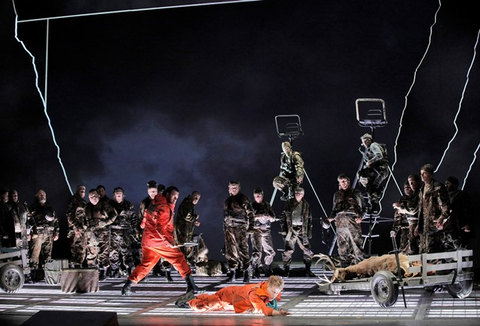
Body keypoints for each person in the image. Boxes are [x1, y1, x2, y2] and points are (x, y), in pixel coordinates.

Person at [121, 186, 200, 295]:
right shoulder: (165, 208)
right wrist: (169, 242)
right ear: (167, 194)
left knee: (146, 265)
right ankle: (191, 286)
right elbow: (160, 228)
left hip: (148, 241)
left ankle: (127, 286)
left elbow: (145, 217)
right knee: (179, 259)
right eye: (174, 196)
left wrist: (143, 225)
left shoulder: (154, 203)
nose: (175, 199)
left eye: (177, 197)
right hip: (160, 242)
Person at [178, 275, 290, 316]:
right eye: (274, 292)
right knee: (201, 306)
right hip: (227, 296)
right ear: (269, 287)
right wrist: (278, 313)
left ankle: (196, 298)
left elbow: (268, 305)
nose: (275, 296)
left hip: (234, 301)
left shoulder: (271, 289)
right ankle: (189, 301)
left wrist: (278, 310)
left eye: (278, 292)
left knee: (217, 308)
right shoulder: (255, 292)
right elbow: (263, 309)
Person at [325, 174, 365, 267]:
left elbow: (364, 207)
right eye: (341, 181)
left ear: (349, 181)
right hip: (340, 223)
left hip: (352, 221)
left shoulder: (356, 193)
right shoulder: (337, 195)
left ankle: (361, 267)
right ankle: (346, 268)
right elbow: (334, 210)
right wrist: (328, 219)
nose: (343, 183)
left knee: (357, 245)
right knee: (342, 247)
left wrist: (361, 217)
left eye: (345, 181)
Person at [415, 164, 455, 254]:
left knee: (434, 252)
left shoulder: (438, 187)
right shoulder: (422, 189)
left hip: (434, 226)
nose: (422, 176)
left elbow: (445, 206)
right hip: (424, 227)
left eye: (424, 174)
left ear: (430, 175)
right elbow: (421, 208)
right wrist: (419, 224)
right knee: (423, 253)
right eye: (421, 174)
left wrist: (441, 218)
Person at [223, 181, 255, 282]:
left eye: (235, 187)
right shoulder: (228, 200)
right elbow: (225, 216)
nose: (233, 189)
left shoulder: (243, 199)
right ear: (229, 188)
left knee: (243, 249)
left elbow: (251, 213)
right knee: (230, 251)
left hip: (240, 227)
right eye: (232, 187)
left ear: (239, 188)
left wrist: (251, 227)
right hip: (229, 228)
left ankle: (247, 272)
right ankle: (232, 272)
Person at [280, 187, 314, 277]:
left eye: (300, 193)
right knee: (288, 249)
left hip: (302, 229)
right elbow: (283, 217)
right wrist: (283, 230)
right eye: (296, 193)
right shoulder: (289, 203)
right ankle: (286, 269)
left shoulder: (306, 205)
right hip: (291, 229)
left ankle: (308, 269)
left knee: (307, 249)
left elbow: (310, 219)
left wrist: (309, 232)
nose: (298, 195)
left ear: (303, 195)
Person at [84, 188, 117, 280]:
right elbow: (82, 219)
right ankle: (92, 270)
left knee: (104, 251)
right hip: (91, 233)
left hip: (103, 232)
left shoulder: (105, 205)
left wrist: (105, 222)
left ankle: (103, 270)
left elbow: (114, 215)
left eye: (95, 196)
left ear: (98, 196)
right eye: (91, 197)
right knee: (91, 251)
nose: (93, 198)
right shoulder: (86, 207)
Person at [28, 189, 60, 279]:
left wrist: (56, 232)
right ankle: (33, 275)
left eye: (44, 194)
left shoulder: (50, 208)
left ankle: (47, 275)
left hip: (49, 234)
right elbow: (28, 221)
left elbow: (56, 221)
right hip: (37, 235)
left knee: (47, 256)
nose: (42, 196)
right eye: (40, 194)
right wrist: (30, 233)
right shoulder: (33, 208)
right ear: (36, 196)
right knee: (34, 255)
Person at [357, 133, 389, 214]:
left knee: (370, 186)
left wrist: (370, 162)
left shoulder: (373, 145)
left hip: (379, 169)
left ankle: (374, 206)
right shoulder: (370, 148)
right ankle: (376, 197)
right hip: (378, 169)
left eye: (364, 141)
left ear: (368, 140)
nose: (364, 144)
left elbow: (379, 156)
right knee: (371, 187)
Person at [108, 187, 136, 277]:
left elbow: (133, 218)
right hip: (112, 231)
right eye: (116, 193)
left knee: (126, 251)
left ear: (123, 195)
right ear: (114, 195)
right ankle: (114, 270)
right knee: (113, 252)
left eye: (120, 193)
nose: (118, 194)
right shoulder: (109, 205)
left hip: (125, 231)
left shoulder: (128, 205)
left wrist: (134, 230)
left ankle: (129, 270)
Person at [250, 187, 276, 278]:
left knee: (270, 251)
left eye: (259, 195)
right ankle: (255, 268)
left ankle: (267, 267)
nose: (258, 197)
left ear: (262, 196)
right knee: (257, 252)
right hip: (256, 230)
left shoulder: (267, 205)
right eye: (256, 196)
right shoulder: (252, 206)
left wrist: (269, 217)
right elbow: (249, 217)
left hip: (266, 231)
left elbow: (274, 218)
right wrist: (258, 216)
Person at [175, 191, 201, 266]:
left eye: (198, 198)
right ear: (191, 196)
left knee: (185, 247)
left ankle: (184, 264)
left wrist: (194, 221)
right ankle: (182, 265)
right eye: (195, 196)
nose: (196, 199)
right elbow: (187, 216)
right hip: (183, 231)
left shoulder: (189, 204)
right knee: (183, 246)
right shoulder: (187, 203)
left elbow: (187, 218)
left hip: (185, 230)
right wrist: (195, 217)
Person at [445, 176, 473, 248]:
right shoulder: (445, 197)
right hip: (448, 228)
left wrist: (468, 223)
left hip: (459, 225)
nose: (446, 186)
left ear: (453, 185)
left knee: (461, 247)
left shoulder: (461, 195)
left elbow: (468, 210)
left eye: (448, 183)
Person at [392, 181, 418, 254]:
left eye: (408, 187)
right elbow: (398, 217)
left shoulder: (416, 199)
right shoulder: (402, 200)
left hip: (415, 227)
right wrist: (395, 230)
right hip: (405, 229)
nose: (407, 189)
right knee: (403, 249)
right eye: (405, 188)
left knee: (414, 248)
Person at [66, 185, 88, 268]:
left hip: (82, 229)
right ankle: (76, 269)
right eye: (81, 190)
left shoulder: (83, 202)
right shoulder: (74, 200)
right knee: (77, 249)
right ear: (77, 191)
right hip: (77, 230)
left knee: (82, 249)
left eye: (84, 191)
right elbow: (69, 215)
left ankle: (78, 267)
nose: (82, 192)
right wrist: (76, 228)